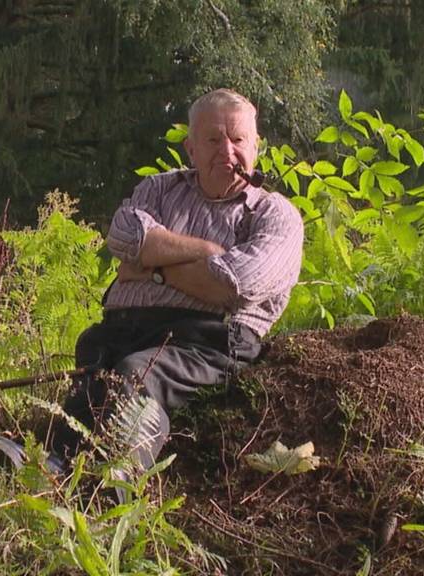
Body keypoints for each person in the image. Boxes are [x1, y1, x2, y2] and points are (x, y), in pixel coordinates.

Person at [46, 88, 305, 472]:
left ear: (256, 147)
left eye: (238, 140)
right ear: (191, 149)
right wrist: (207, 251)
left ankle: (116, 482)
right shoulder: (159, 188)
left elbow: (234, 285)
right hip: (121, 332)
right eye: (213, 140)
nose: (227, 152)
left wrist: (151, 268)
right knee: (90, 386)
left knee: (138, 375)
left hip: (209, 342)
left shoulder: (274, 215)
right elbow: (126, 235)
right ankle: (47, 470)